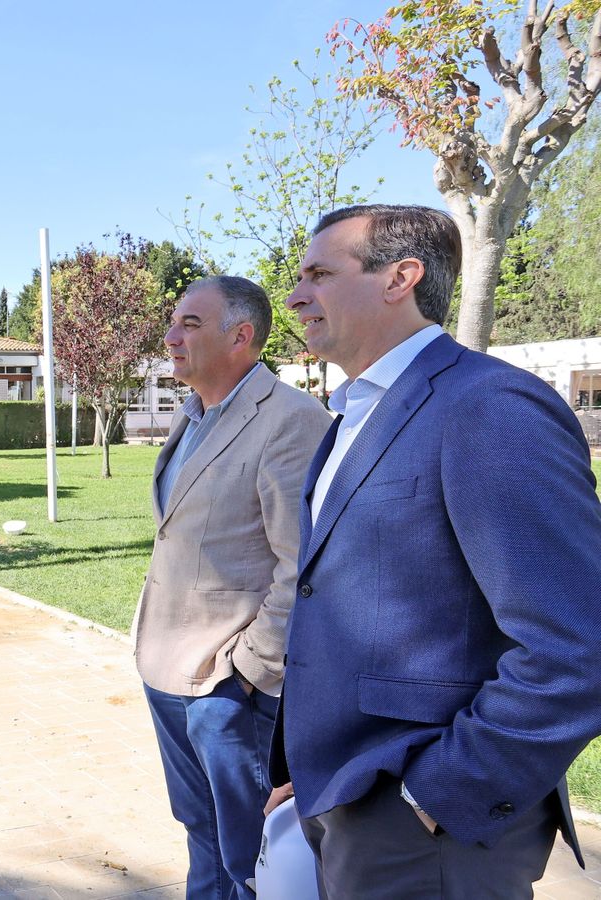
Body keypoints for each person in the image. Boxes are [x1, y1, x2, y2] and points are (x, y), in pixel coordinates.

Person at [268, 204, 601, 897]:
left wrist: (431, 799)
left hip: (432, 831)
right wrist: (325, 767)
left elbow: (579, 647)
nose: (296, 296)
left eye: (320, 274)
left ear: (401, 278)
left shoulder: (489, 405)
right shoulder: (350, 419)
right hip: (348, 796)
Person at [136, 275, 330, 899]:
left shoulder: (291, 421)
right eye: (174, 323)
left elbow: (302, 565)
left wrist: (245, 672)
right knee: (200, 833)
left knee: (251, 854)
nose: (171, 338)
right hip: (165, 667)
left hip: (229, 687)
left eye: (190, 325)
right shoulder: (193, 414)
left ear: (241, 336)